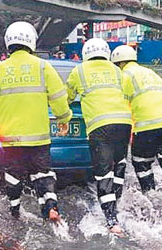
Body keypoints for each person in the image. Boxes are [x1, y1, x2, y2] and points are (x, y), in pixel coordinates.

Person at [0, 21, 72, 223]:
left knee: (13, 175)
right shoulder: (43, 67)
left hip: (12, 139)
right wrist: (64, 119)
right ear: (32, 42)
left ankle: (15, 212)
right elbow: (59, 99)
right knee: (43, 173)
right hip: (39, 138)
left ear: (8, 43)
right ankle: (51, 208)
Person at [111, 45, 162, 214]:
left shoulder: (124, 76)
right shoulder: (151, 73)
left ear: (118, 63)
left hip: (147, 125)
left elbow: (122, 105)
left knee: (141, 162)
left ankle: (150, 198)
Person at [66, 38, 132, 235]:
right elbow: (128, 94)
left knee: (103, 172)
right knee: (119, 164)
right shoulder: (117, 71)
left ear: (86, 53)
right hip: (123, 123)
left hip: (99, 127)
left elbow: (68, 96)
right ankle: (118, 199)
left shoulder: (79, 71)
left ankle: (112, 221)